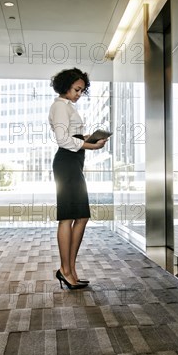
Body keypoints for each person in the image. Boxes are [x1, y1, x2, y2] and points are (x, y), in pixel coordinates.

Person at [48, 68, 107, 290]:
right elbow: (63, 140)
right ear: (65, 86)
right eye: (76, 89)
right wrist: (90, 145)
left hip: (73, 163)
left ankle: (69, 269)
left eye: (82, 90)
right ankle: (65, 270)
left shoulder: (68, 107)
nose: (79, 94)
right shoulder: (59, 106)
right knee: (68, 217)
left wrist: (91, 139)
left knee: (81, 216)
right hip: (66, 163)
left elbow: (73, 137)